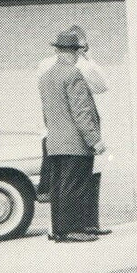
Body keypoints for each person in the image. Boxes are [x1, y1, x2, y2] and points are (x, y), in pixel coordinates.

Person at [35, 25, 111, 236]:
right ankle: (73, 230)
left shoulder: (46, 76)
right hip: (76, 143)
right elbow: (82, 112)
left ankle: (59, 231)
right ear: (77, 52)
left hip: (55, 141)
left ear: (57, 50)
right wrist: (95, 140)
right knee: (75, 187)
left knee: (58, 187)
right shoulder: (74, 74)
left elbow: (47, 112)